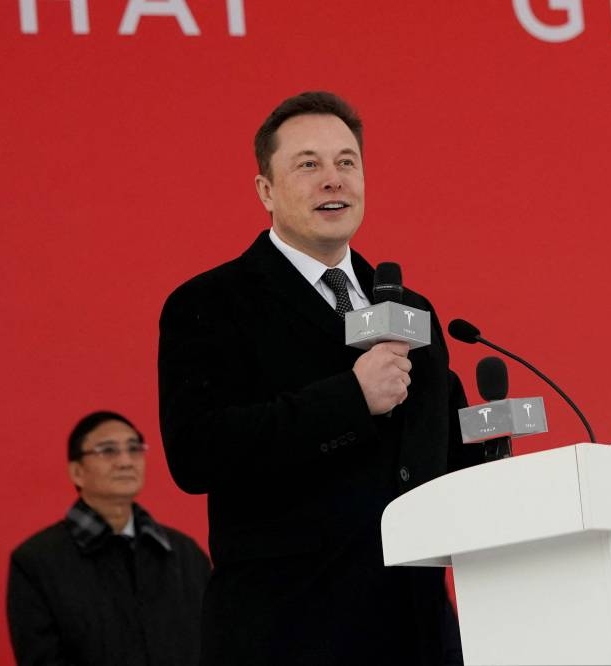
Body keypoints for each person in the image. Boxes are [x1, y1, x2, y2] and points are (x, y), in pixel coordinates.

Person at [157, 91, 483, 666]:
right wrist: (350, 400)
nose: (333, 180)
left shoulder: (415, 309)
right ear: (265, 190)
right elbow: (197, 453)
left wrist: (494, 462)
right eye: (308, 164)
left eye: (346, 162)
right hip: (288, 630)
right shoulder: (211, 303)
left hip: (417, 630)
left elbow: (440, 455)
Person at [6, 411, 211, 666]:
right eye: (108, 450)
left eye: (134, 449)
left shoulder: (185, 553)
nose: (126, 461)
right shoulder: (37, 561)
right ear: (77, 471)